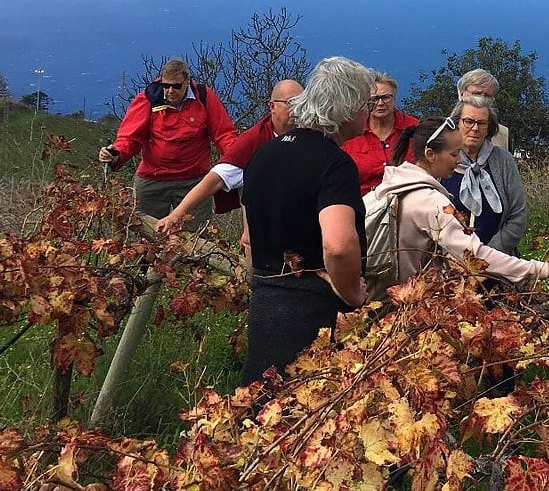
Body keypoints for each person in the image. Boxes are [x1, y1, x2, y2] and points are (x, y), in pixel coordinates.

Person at [239, 57, 373, 385]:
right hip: (314, 318)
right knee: (314, 421)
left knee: (261, 414)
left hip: (265, 308)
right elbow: (339, 246)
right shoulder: (334, 165)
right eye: (365, 104)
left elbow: (247, 242)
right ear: (348, 108)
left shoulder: (262, 156)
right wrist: (353, 293)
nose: (369, 112)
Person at [376, 115, 549, 285]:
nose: (458, 161)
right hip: (410, 298)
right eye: (454, 154)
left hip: (389, 289)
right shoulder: (431, 203)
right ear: (430, 155)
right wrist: (540, 268)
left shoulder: (396, 183)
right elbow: (475, 256)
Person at [99, 58, 237, 230]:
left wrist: (237, 162)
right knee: (145, 238)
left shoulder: (204, 96)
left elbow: (224, 134)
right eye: (166, 85)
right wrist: (116, 153)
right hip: (152, 180)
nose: (170, 91)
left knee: (196, 240)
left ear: (187, 82)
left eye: (176, 86)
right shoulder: (147, 99)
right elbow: (130, 137)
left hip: (194, 181)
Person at [154, 79, 303, 235]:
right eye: (290, 103)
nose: (297, 109)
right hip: (265, 229)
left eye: (301, 103)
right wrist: (176, 215)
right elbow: (216, 179)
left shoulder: (315, 134)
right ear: (272, 106)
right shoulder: (253, 141)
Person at [439, 96, 527, 257]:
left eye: (481, 123)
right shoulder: (443, 159)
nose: (475, 128)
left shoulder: (503, 160)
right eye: (468, 121)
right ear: (457, 123)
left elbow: (518, 215)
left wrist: (489, 255)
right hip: (451, 263)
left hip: (500, 262)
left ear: (489, 128)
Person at [341, 72, 419, 194]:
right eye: (374, 99)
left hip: (408, 200)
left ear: (394, 98)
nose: (381, 103)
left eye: (386, 97)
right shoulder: (352, 131)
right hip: (364, 203)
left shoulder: (414, 128)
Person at [458, 68, 509, 151]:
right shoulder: (441, 131)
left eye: (487, 96)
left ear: (493, 100)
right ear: (461, 95)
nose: (482, 99)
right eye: (476, 94)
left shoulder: (502, 134)